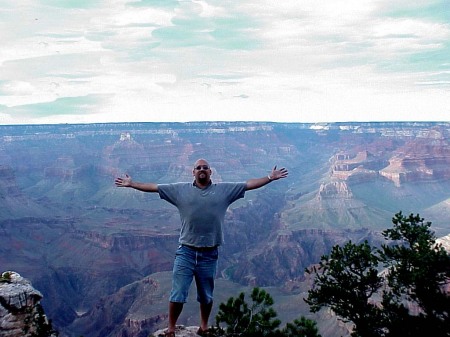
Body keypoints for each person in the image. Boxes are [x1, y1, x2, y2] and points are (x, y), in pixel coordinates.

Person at [115, 158, 288, 337]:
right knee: (178, 293)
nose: (202, 170)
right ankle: (171, 329)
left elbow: (248, 185)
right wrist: (132, 184)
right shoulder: (180, 190)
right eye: (198, 168)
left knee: (206, 295)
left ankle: (203, 327)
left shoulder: (224, 190)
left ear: (211, 171)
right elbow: (155, 187)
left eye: (205, 167)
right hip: (186, 251)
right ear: (193, 172)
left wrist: (269, 177)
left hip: (209, 253)